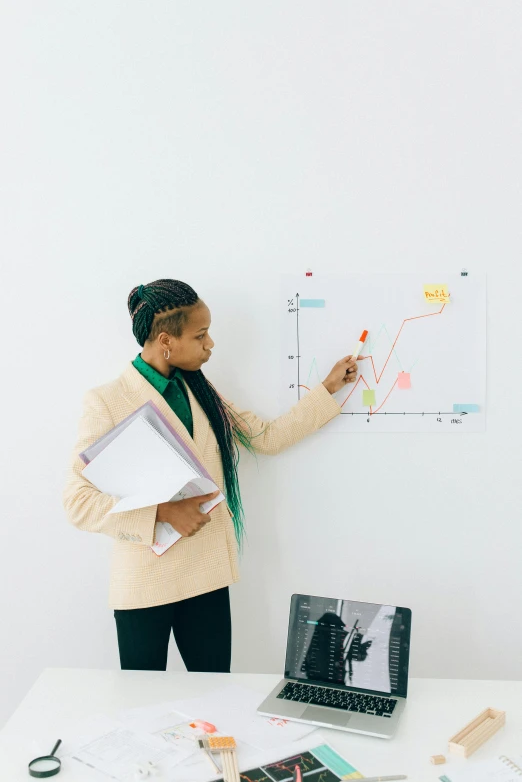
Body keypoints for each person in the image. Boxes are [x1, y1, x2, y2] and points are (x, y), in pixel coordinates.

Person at [63, 278, 358, 673]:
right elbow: (77, 502)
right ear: (166, 340)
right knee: (141, 710)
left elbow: (265, 437)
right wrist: (162, 513)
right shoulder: (107, 401)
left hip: (205, 578)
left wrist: (327, 388)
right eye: (201, 335)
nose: (211, 344)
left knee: (215, 699)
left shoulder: (200, 390)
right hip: (144, 585)